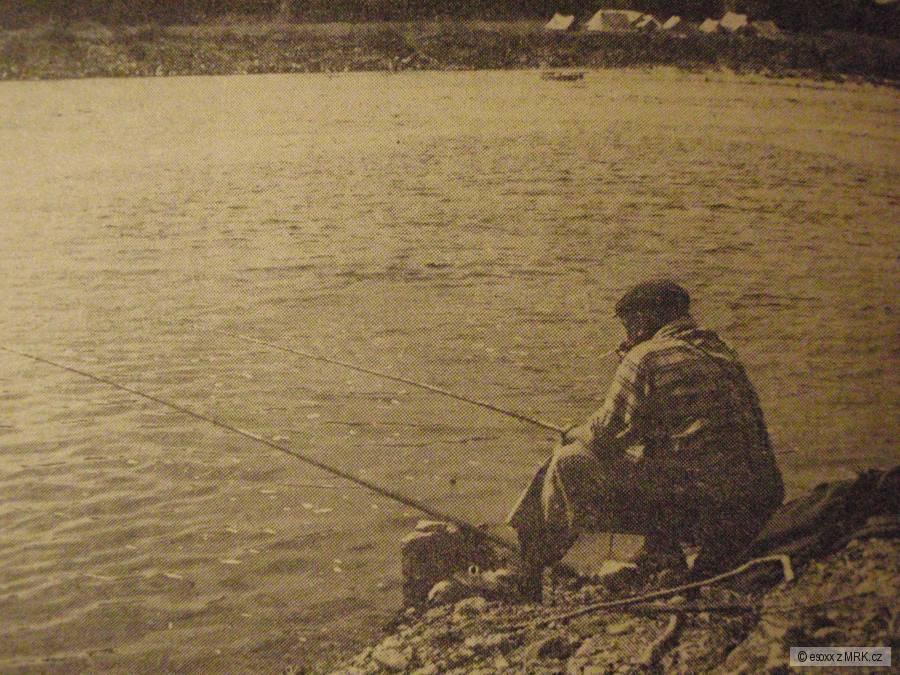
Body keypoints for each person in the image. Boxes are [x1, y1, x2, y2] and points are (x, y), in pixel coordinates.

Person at [507, 280, 784, 601]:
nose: (626, 336)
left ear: (641, 321)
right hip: (758, 501)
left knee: (568, 459)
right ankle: (662, 552)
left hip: (706, 507)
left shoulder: (646, 356)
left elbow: (602, 437)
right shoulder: (721, 351)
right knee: (671, 457)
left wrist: (573, 431)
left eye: (627, 327)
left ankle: (531, 568)